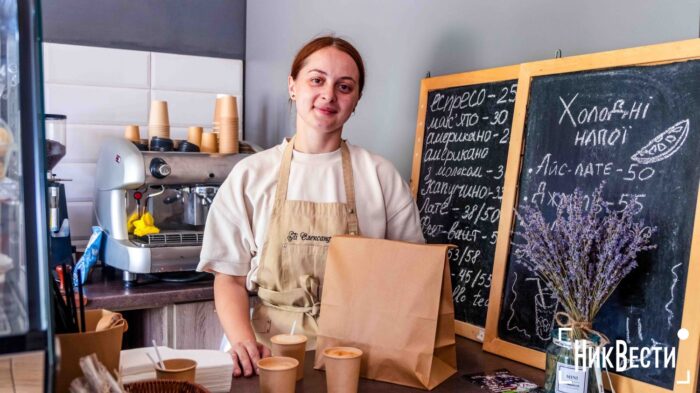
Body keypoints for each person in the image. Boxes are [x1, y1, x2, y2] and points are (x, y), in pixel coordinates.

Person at [197, 35, 425, 378]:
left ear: (357, 99)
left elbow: (411, 275)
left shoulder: (380, 176)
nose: (329, 95)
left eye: (344, 86)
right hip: (265, 354)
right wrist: (242, 342)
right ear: (293, 86)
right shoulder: (251, 174)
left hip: (357, 357)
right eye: (316, 80)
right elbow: (229, 278)